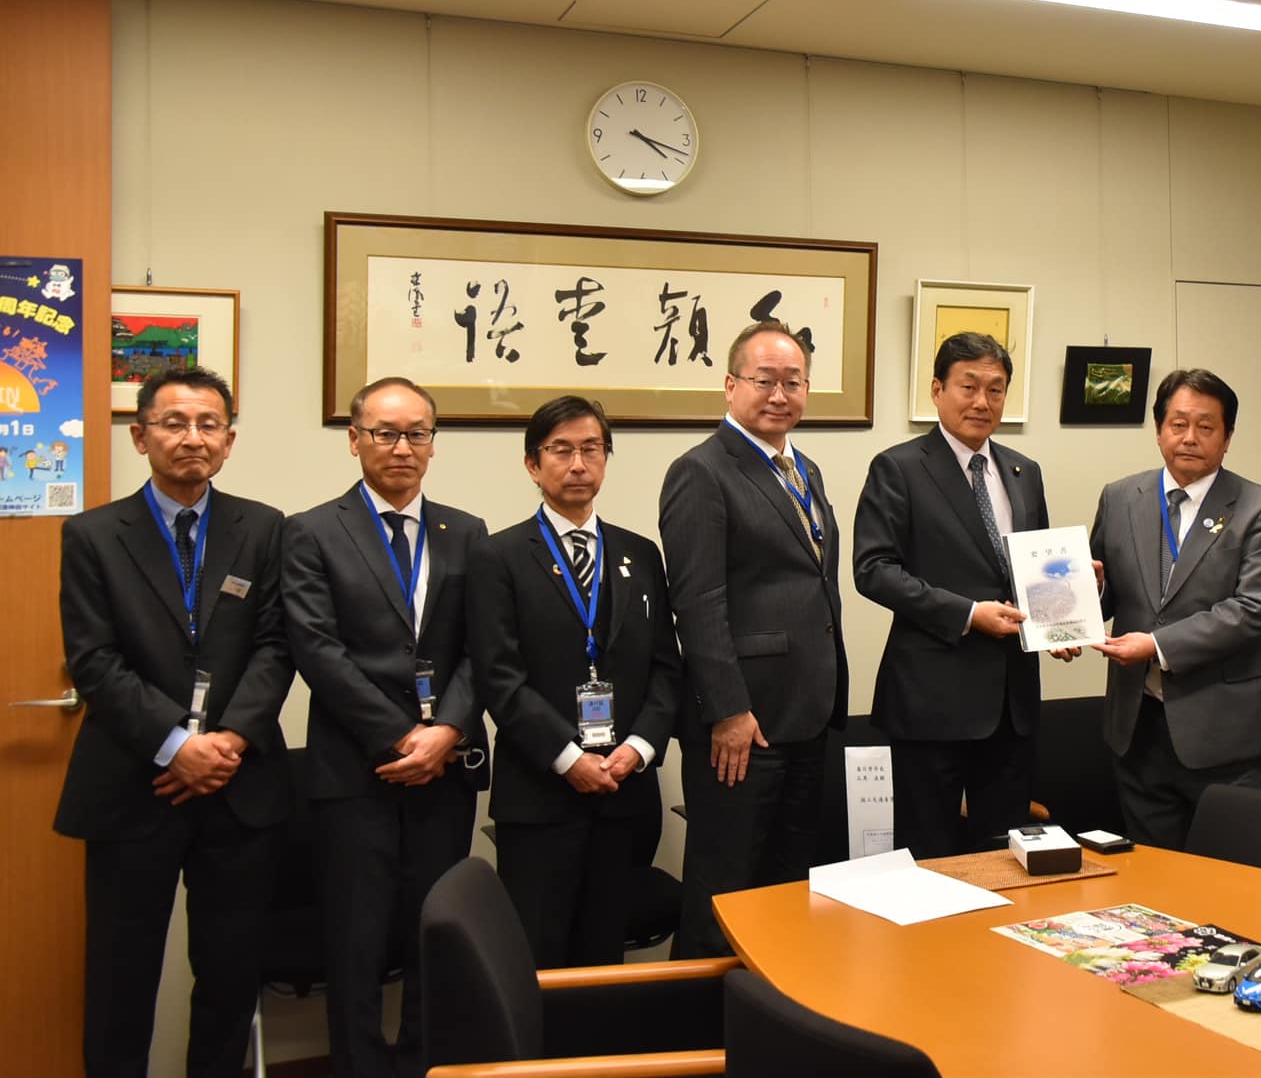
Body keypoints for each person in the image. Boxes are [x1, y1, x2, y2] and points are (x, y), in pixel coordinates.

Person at [54, 367, 293, 1078]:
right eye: (174, 423)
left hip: (237, 785)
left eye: (209, 424)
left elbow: (277, 645)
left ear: (229, 440)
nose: (193, 437)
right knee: (120, 978)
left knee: (230, 974)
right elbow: (93, 660)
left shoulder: (264, 527)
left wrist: (227, 741)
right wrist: (175, 745)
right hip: (133, 784)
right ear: (140, 436)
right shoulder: (93, 534)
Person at [283, 376, 488, 1077]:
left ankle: (427, 1062)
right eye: (385, 433)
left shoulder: (466, 531)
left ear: (433, 443)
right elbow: (316, 649)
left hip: (445, 769)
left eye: (417, 434)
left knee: (437, 932)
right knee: (356, 942)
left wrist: (448, 730)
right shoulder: (311, 530)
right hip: (355, 771)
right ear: (355, 440)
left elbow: (483, 648)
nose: (402, 448)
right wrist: (403, 738)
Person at [468, 396, 679, 967]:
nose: (578, 463)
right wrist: (568, 758)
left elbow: (666, 667)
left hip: (624, 790)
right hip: (541, 794)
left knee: (606, 953)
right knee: (538, 956)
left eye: (591, 448)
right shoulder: (498, 556)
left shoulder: (640, 554)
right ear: (533, 465)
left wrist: (639, 748)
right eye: (561, 450)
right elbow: (499, 677)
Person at [663, 319, 848, 956]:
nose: (779, 395)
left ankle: (769, 1010)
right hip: (743, 725)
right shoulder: (701, 471)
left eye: (792, 382)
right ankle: (700, 1015)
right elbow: (697, 602)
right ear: (730, 385)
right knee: (726, 888)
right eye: (764, 380)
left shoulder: (804, 468)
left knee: (787, 888)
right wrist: (728, 710)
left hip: (806, 713)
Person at [854, 332, 1053, 859]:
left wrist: (1064, 604)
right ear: (937, 390)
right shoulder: (898, 468)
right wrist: (967, 614)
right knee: (928, 854)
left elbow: (1031, 569)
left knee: (1007, 855)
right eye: (969, 386)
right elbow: (874, 571)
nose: (982, 402)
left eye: (996, 389)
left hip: (1011, 704)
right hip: (932, 702)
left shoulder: (1024, 472)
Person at [1089, 369, 1261, 851]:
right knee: (1151, 871)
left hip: (1223, 734)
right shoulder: (1120, 497)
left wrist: (1156, 645)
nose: (1190, 438)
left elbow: (1252, 609)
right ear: (1159, 430)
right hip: (1137, 727)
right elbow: (1107, 595)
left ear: (1227, 437)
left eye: (1206, 426)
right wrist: (1089, 595)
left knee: (1227, 873)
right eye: (1178, 424)